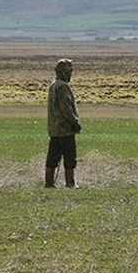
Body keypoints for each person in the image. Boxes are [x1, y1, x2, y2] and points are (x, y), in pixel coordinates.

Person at [45, 58, 82, 188]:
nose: (71, 73)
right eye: (70, 70)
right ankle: (70, 183)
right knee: (69, 158)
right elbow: (66, 108)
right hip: (65, 129)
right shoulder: (63, 87)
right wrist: (75, 122)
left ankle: (49, 183)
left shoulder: (53, 85)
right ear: (65, 72)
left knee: (52, 158)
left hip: (54, 130)